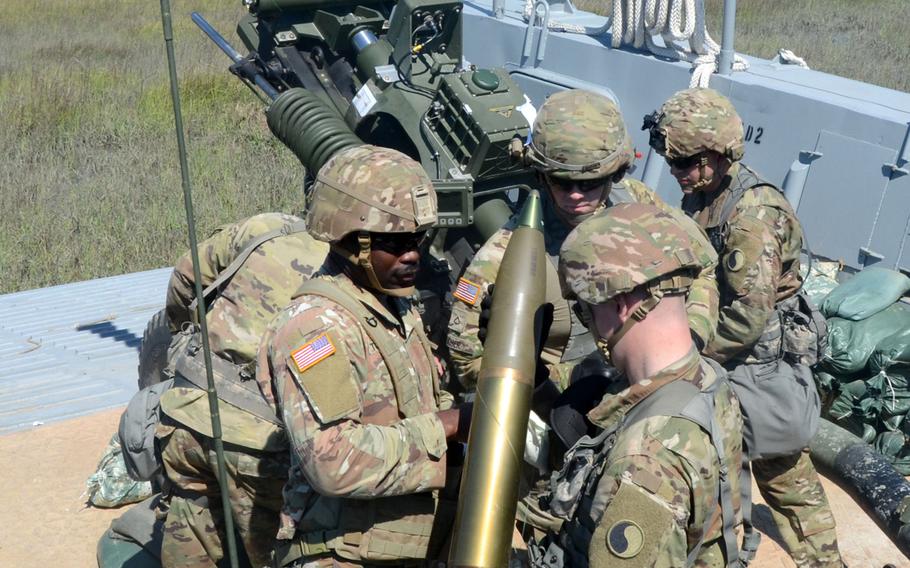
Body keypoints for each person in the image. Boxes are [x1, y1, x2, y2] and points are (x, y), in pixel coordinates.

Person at [645, 87, 843, 567]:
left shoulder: (752, 216)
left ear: (716, 156)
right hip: (721, 355)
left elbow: (749, 315)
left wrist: (689, 356)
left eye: (685, 163)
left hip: (756, 364)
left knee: (783, 473)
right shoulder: (704, 194)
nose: (676, 172)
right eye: (671, 161)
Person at [256, 145, 470, 567]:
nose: (413, 254)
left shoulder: (394, 304)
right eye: (395, 241)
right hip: (341, 552)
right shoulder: (316, 327)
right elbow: (332, 461)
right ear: (351, 241)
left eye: (418, 239)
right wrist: (445, 427)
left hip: (401, 544)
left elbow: (413, 403)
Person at [447, 89, 718, 393]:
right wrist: (556, 380)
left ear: (614, 173)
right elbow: (467, 361)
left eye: (590, 183)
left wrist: (690, 336)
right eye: (561, 181)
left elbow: (703, 264)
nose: (576, 194)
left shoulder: (635, 202)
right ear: (540, 175)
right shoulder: (506, 254)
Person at [544, 202, 744, 567]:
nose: (586, 322)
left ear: (622, 305)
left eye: (584, 309)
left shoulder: (644, 461)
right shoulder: (710, 379)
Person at [156, 211, 328, 568]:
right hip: (258, 447)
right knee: (277, 556)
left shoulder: (265, 228)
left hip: (184, 417)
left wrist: (185, 335)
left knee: (191, 537)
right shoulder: (360, 266)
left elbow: (185, 276)